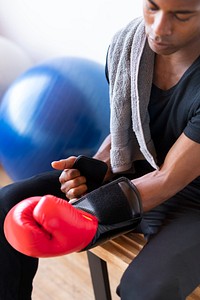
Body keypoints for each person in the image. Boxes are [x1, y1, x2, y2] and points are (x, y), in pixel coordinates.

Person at [1, 0, 200, 298]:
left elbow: (168, 178)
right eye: (152, 7)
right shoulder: (128, 46)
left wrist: (88, 211)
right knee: (9, 203)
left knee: (146, 289)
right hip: (135, 179)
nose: (158, 28)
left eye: (181, 15)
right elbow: (125, 129)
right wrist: (94, 168)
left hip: (192, 204)